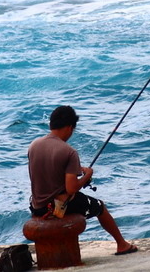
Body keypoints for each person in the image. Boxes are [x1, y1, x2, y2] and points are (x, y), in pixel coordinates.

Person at [27, 105, 138, 255]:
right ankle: (122, 244)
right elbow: (71, 188)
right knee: (100, 207)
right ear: (69, 127)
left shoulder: (34, 145)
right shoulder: (69, 151)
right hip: (57, 207)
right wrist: (87, 175)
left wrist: (78, 170)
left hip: (37, 206)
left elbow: (50, 169)